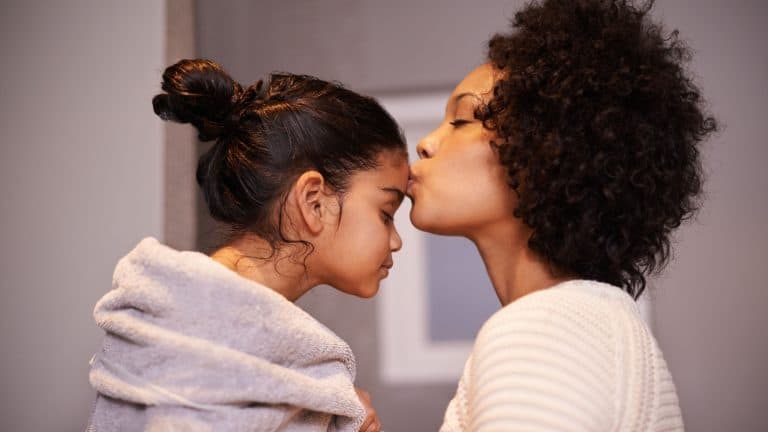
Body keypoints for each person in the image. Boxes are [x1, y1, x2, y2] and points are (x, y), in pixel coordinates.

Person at [407, 0, 717, 430]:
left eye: (462, 120)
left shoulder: (543, 329)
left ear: (545, 151)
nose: (425, 143)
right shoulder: (591, 323)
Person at [86, 59, 407, 432]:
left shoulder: (161, 327)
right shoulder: (215, 347)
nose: (396, 241)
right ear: (313, 201)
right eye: (387, 212)